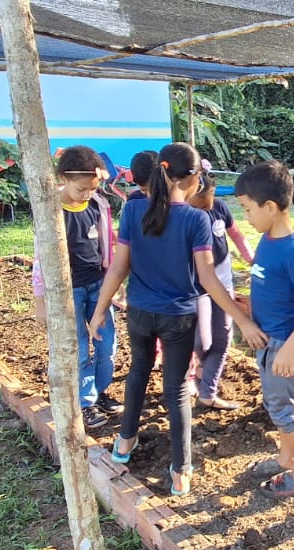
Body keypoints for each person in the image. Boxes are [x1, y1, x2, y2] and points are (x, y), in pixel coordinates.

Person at [88, 143, 265, 497]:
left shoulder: (134, 210)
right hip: (178, 318)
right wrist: (241, 319)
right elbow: (209, 280)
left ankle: (124, 443)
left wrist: (97, 312)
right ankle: (181, 469)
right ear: (195, 178)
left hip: (139, 313)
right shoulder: (196, 219)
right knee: (176, 390)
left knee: (138, 373)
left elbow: (119, 267)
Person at [234, 160, 294, 498]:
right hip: (270, 339)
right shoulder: (268, 239)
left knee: (286, 411)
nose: (246, 217)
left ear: (270, 207)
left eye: (247, 209)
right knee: (278, 406)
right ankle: (288, 457)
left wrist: (289, 348)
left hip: (284, 344)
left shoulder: (292, 250)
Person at [31, 146, 121, 430]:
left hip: (98, 284)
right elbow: (39, 259)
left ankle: (101, 391)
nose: (87, 194)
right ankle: (85, 403)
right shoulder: (50, 212)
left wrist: (114, 284)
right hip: (68, 291)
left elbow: (107, 244)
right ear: (63, 178)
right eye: (81, 189)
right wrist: (40, 300)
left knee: (106, 344)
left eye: (92, 188)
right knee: (80, 348)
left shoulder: (98, 205)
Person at [187, 160, 255, 410]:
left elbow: (236, 235)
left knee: (223, 337)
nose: (208, 206)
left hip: (222, 281)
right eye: (202, 202)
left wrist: (251, 259)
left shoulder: (219, 208)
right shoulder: (184, 216)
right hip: (196, 286)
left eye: (210, 199)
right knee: (200, 341)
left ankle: (208, 392)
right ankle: (197, 371)